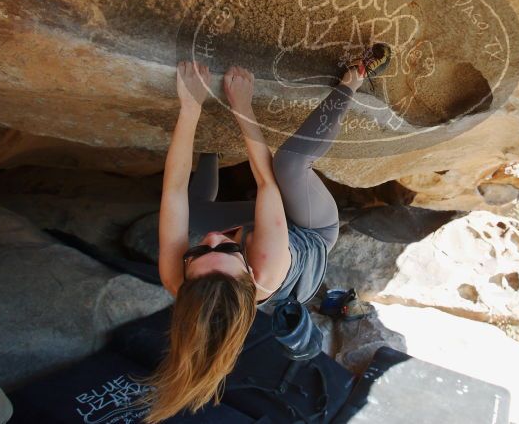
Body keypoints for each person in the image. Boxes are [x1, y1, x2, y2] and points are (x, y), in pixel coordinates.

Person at [141, 44, 391, 423]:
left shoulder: (178, 280)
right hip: (309, 230)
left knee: (188, 210)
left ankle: (210, 152)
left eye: (196, 253)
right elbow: (265, 182)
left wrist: (191, 107)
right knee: (289, 165)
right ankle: (352, 82)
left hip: (256, 232)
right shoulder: (268, 265)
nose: (209, 239)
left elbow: (172, 191)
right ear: (249, 275)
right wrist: (242, 103)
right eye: (221, 248)